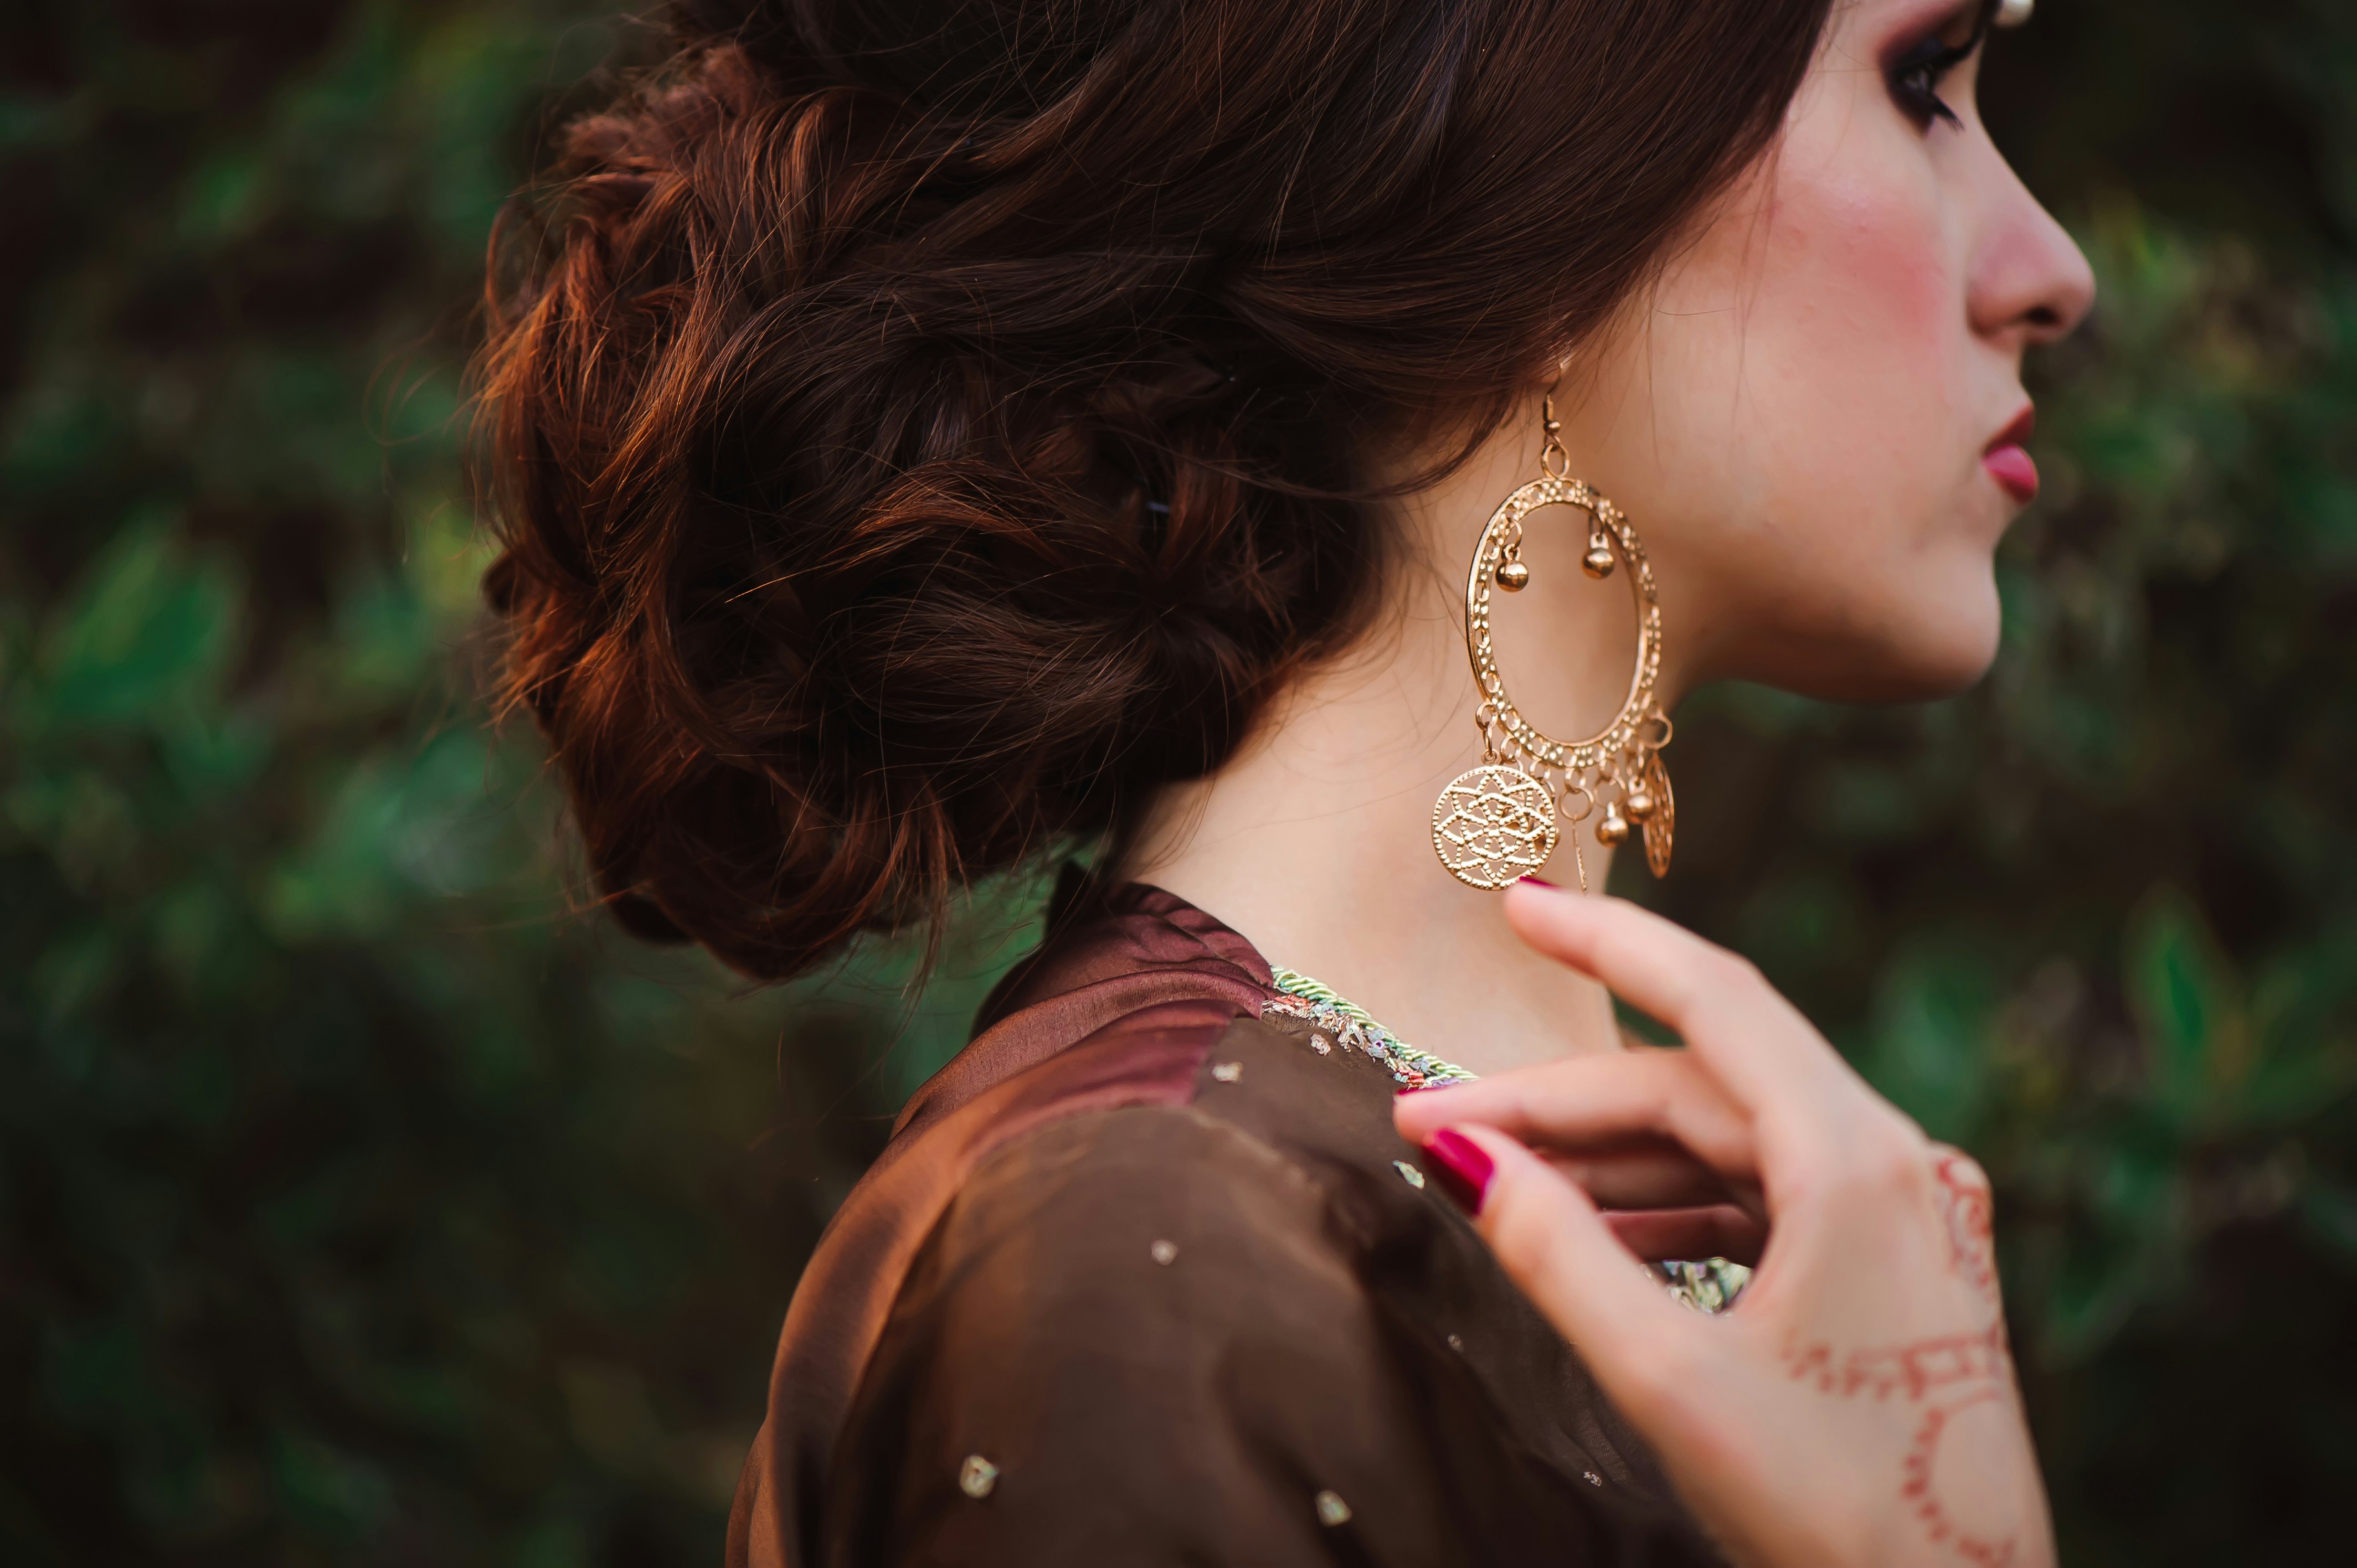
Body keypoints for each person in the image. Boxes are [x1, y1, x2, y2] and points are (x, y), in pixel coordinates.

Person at [475, 0, 2093, 1560]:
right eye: (1924, 83)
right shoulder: (1144, 1243)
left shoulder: (1430, 1201)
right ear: (1547, 175)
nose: (2052, 272)